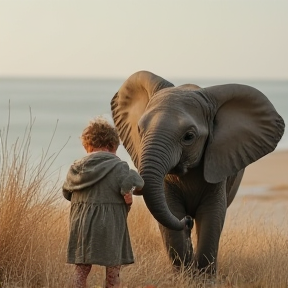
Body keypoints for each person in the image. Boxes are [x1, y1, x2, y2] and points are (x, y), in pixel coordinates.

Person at [62, 116, 144, 288]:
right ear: (110, 146)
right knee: (113, 273)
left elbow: (66, 193)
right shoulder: (119, 166)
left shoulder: (76, 168)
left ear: (88, 146)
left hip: (82, 226)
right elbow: (136, 183)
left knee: (81, 271)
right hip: (111, 226)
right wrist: (128, 196)